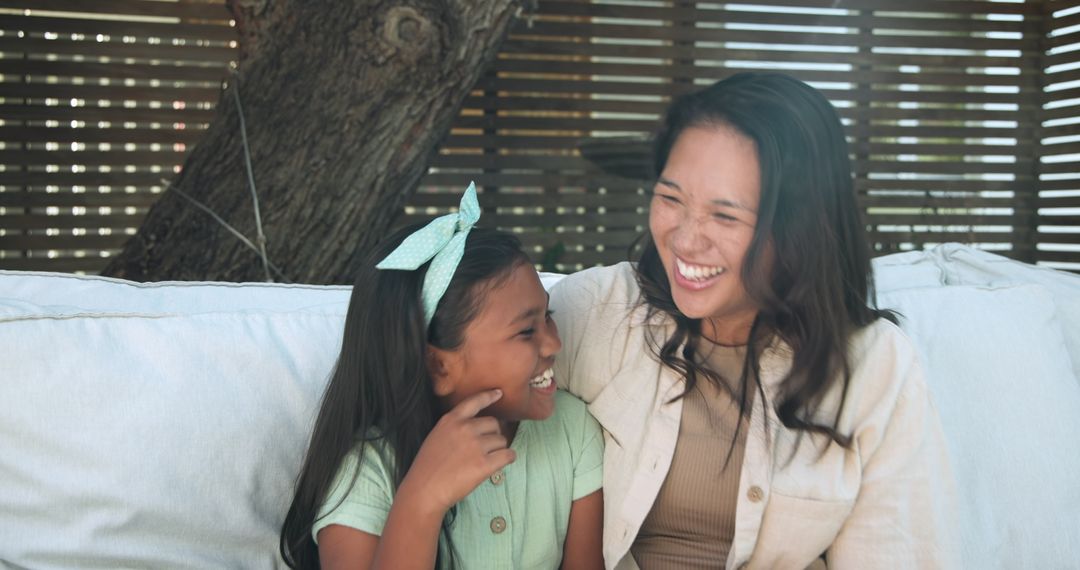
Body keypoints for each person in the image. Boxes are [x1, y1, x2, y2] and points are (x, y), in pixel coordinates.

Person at [550, 72, 960, 569]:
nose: (685, 240)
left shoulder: (874, 367)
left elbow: (897, 555)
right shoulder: (593, 313)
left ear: (800, 229)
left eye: (725, 216)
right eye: (671, 198)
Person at [279, 184, 605, 570]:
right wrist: (422, 500)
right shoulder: (368, 473)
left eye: (547, 316)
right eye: (526, 331)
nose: (554, 344)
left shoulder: (572, 429)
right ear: (438, 366)